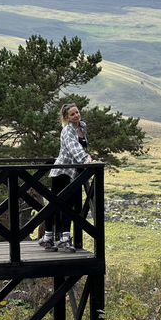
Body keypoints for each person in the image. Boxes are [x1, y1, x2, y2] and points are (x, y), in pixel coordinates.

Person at [38, 103, 92, 252]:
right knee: (55, 204)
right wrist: (86, 158)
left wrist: (87, 157)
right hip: (62, 171)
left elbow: (83, 145)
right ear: (67, 118)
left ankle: (64, 239)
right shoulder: (67, 131)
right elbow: (74, 149)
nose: (76, 115)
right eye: (72, 114)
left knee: (71, 205)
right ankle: (48, 237)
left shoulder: (82, 127)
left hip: (74, 173)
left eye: (77, 112)